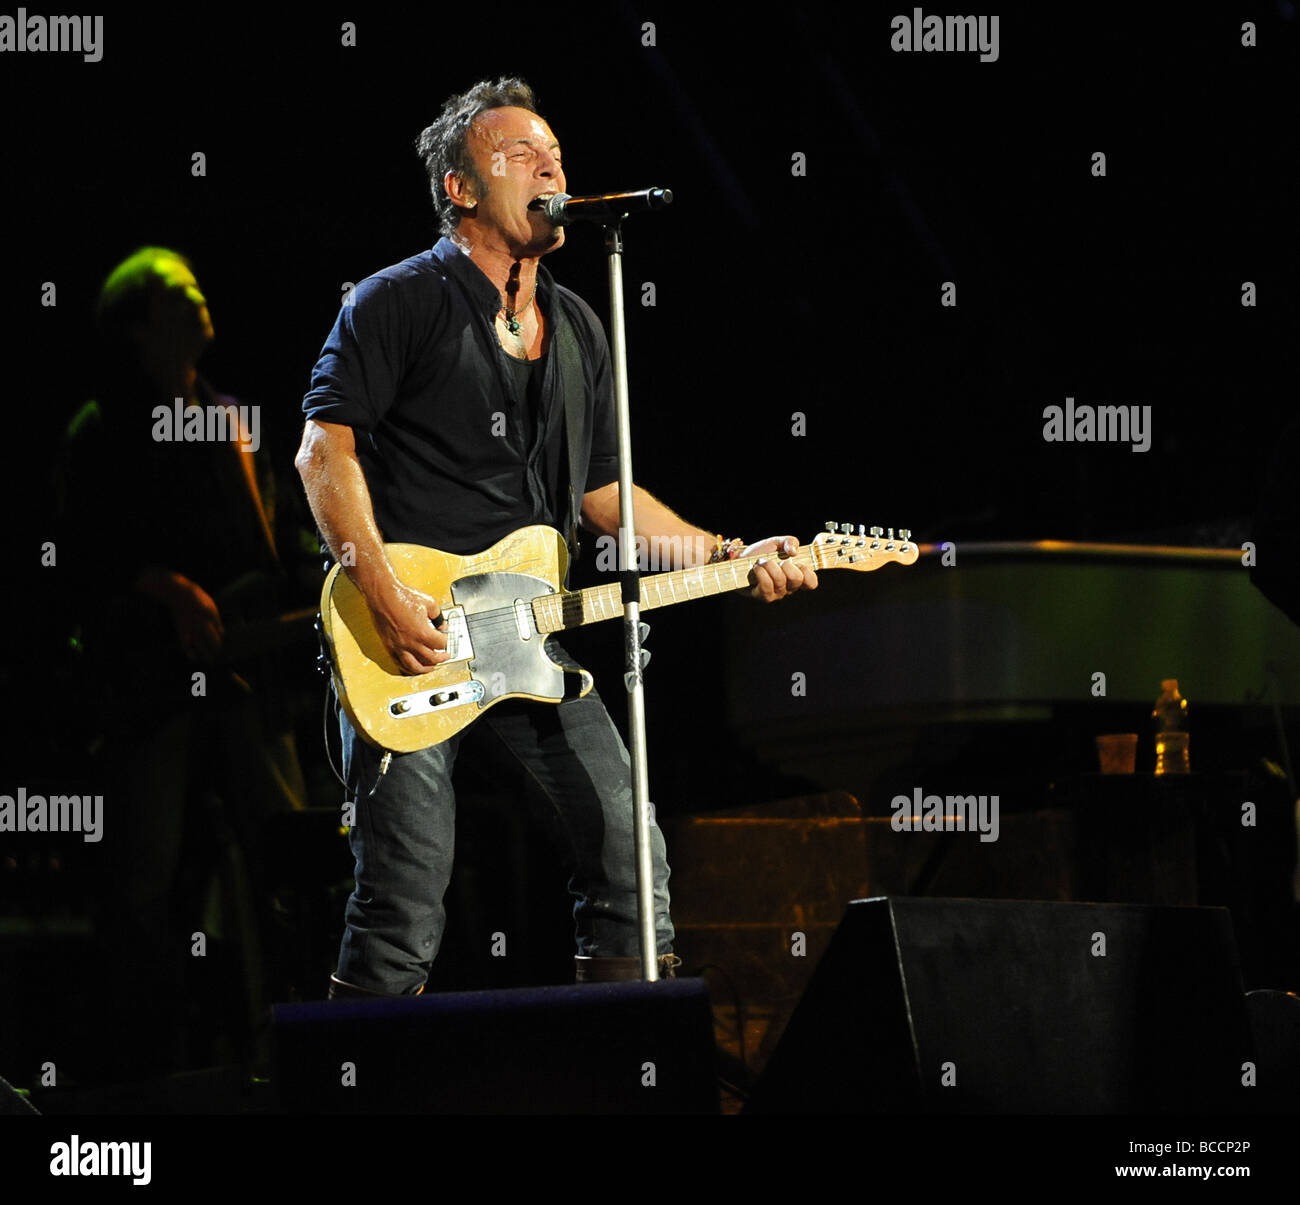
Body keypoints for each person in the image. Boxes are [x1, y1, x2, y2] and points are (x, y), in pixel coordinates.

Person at [296, 77, 816, 998]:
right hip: (404, 638)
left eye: (559, 156)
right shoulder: (393, 301)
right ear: (461, 188)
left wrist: (731, 556)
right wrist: (376, 583)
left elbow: (605, 495)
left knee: (630, 863)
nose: (553, 168)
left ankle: (622, 1074)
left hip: (531, 637)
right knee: (404, 903)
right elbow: (320, 451)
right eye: (524, 155)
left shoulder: (579, 323)